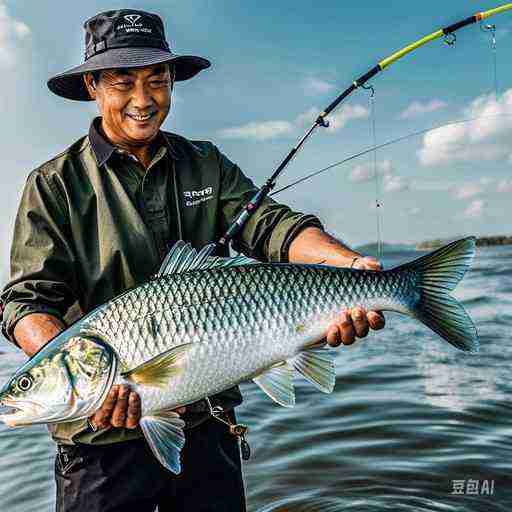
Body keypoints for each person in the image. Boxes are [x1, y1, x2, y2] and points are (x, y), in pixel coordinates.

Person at [0, 9, 385, 512]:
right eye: (123, 83)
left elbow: (270, 226)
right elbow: (25, 302)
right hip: (98, 450)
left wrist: (349, 265)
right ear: (93, 85)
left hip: (209, 425)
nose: (143, 100)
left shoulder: (205, 162)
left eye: (157, 79)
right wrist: (90, 384)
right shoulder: (53, 185)